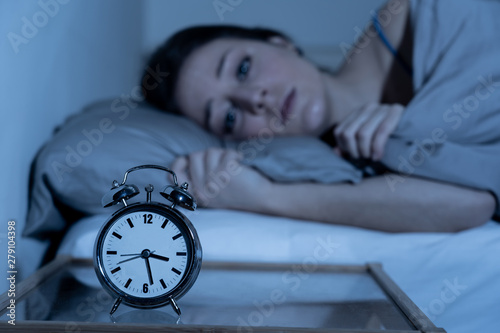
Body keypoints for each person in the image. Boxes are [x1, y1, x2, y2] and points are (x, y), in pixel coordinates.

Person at [140, 0, 496, 232]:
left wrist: (415, 124)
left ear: (280, 42)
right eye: (229, 117)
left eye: (244, 68)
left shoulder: (417, 12)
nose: (254, 99)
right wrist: (266, 198)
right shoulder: (341, 166)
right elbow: (472, 205)